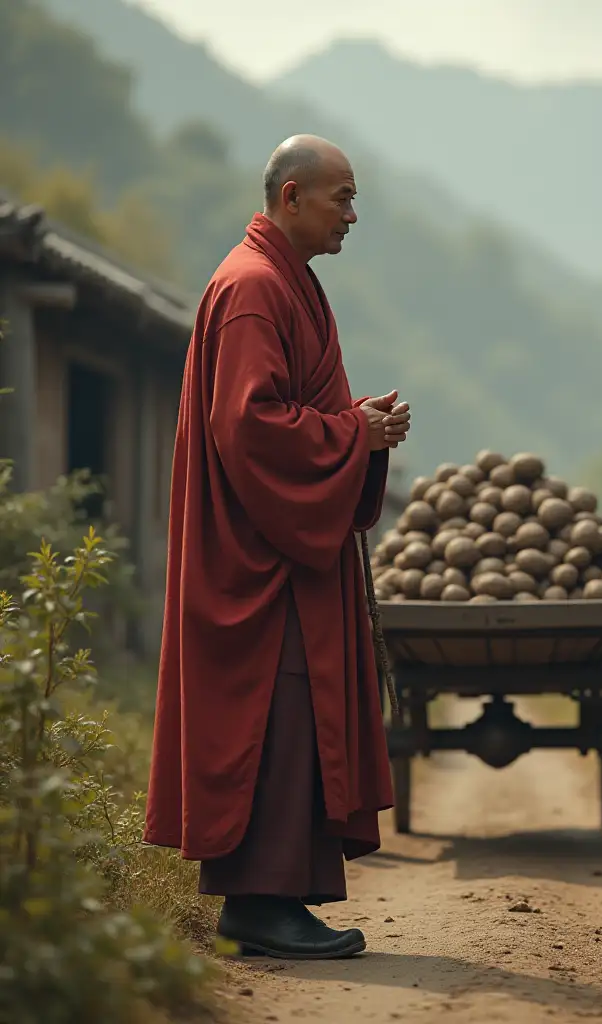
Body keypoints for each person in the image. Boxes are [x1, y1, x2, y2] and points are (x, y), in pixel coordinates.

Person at [144, 135, 410, 960]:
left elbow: (280, 410)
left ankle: (275, 899)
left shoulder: (281, 281)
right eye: (342, 198)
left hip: (283, 550)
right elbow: (249, 428)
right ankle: (260, 904)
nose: (353, 215)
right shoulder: (256, 286)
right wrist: (348, 435)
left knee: (295, 716)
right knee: (280, 716)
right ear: (291, 197)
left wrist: (354, 428)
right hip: (259, 562)